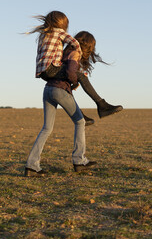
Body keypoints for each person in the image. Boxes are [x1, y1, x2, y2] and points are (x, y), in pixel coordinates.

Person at [25, 30, 100, 177]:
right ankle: (79, 160)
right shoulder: (75, 52)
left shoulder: (63, 52)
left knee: (46, 128)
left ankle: (31, 166)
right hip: (60, 91)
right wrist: (75, 80)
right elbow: (71, 71)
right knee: (80, 122)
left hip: (48, 90)